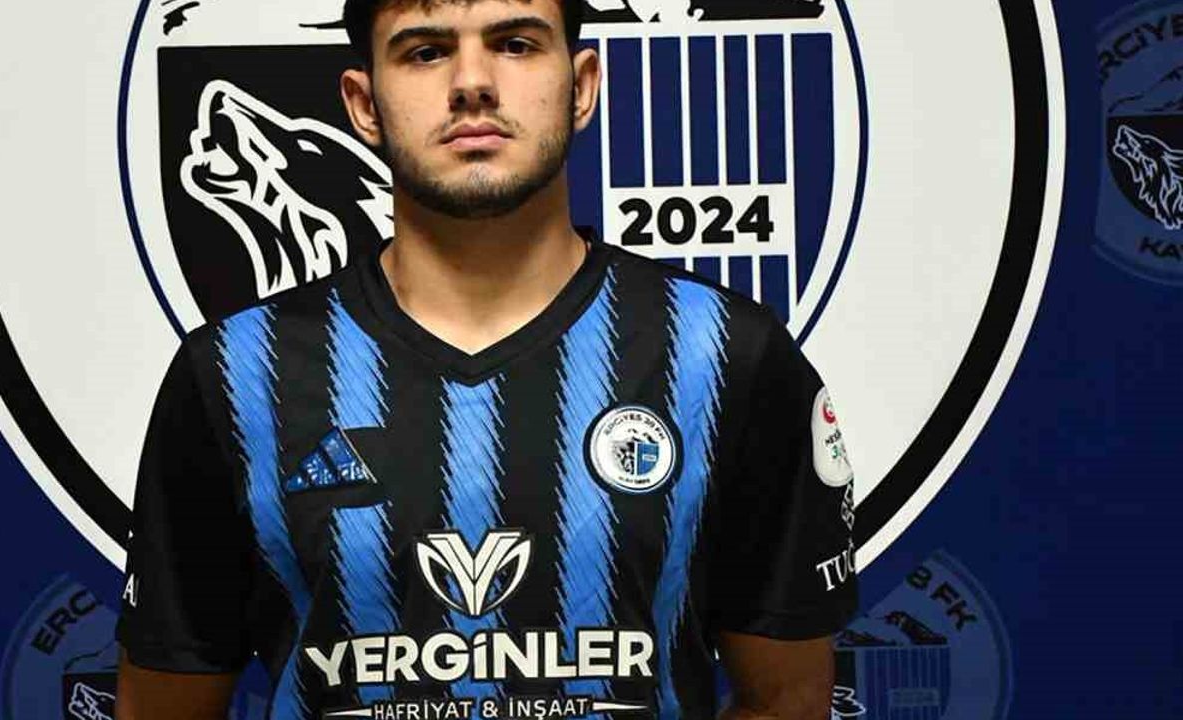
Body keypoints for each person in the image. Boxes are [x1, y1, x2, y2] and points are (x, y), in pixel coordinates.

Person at [114, 0, 858, 717]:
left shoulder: (725, 353)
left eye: (515, 44)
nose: (472, 82)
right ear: (364, 105)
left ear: (582, 86)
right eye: (426, 51)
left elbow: (786, 703)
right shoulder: (236, 372)